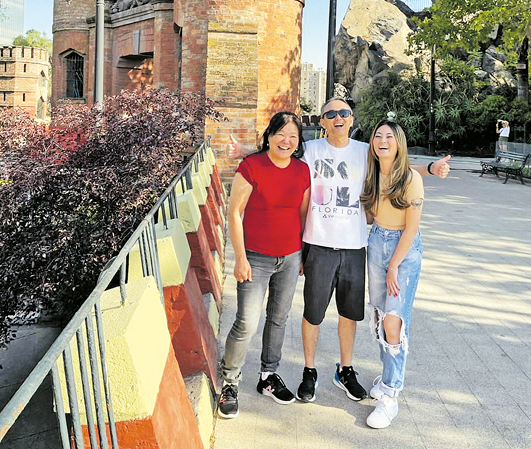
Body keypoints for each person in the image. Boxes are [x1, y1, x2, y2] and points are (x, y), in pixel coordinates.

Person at [227, 98, 450, 407]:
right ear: (323, 121)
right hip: (318, 244)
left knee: (349, 314)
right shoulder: (311, 150)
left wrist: (429, 168)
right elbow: (279, 151)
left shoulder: (363, 151)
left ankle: (345, 370)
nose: (338, 117)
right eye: (331, 113)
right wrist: (244, 153)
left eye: (343, 112)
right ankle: (309, 370)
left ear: (351, 118)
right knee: (313, 313)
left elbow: (396, 165)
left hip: (355, 246)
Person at [218, 112, 311, 419]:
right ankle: (229, 382)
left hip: (289, 256)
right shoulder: (251, 166)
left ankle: (268, 377)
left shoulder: (302, 171)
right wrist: (240, 258)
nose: (287, 140)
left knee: (279, 318)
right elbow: (234, 214)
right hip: (255, 258)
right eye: (281, 134)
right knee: (247, 321)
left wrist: (301, 256)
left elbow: (301, 215)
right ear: (269, 136)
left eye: (293, 136)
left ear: (298, 142)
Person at [360, 120, 424, 429]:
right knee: (380, 316)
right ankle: (386, 380)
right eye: (378, 136)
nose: (382, 140)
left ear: (398, 143)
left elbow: (412, 228)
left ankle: (391, 397)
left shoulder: (410, 178)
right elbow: (371, 214)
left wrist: (395, 264)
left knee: (394, 321)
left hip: (404, 251)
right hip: (377, 242)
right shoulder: (372, 175)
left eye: (389, 136)